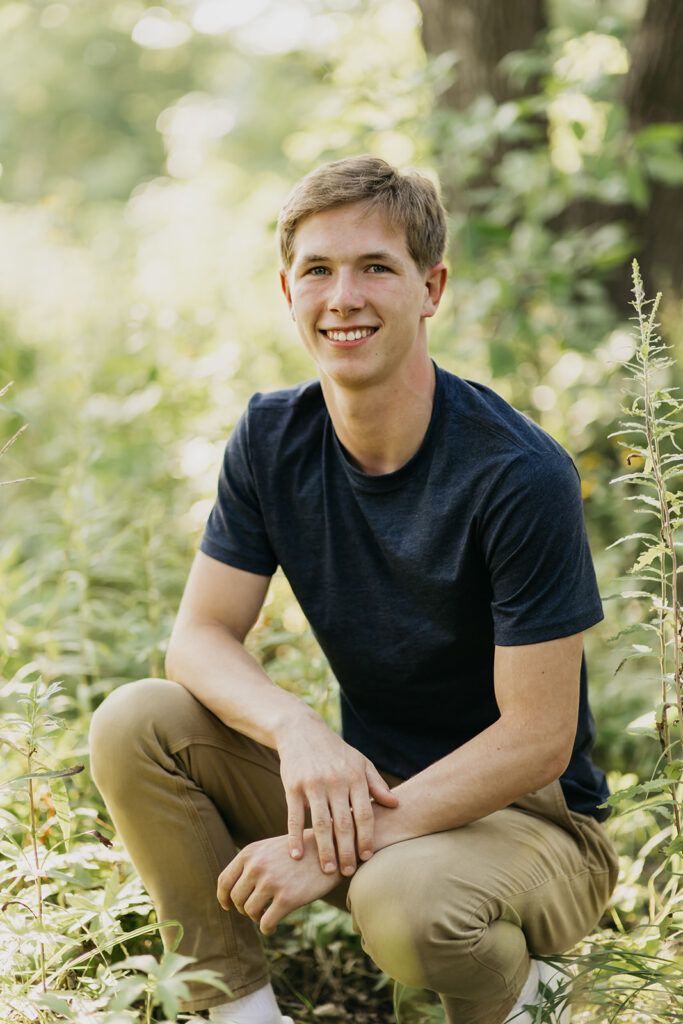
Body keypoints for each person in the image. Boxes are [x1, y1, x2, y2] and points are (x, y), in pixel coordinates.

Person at [90, 155, 618, 1024]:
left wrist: (340, 847)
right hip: (374, 791)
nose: (344, 297)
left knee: (404, 904)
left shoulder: (516, 473)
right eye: (318, 271)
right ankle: (241, 1013)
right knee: (138, 722)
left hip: (534, 824)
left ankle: (531, 996)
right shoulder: (271, 437)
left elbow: (536, 739)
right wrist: (297, 731)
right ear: (286, 291)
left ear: (430, 288)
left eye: (376, 267)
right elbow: (199, 638)